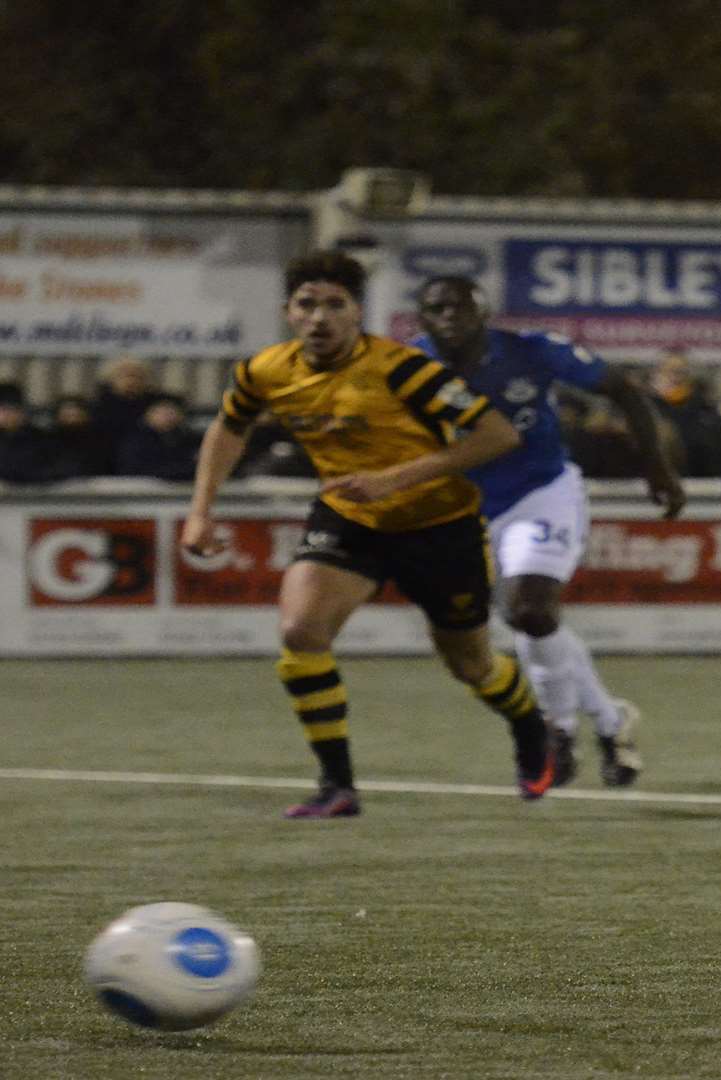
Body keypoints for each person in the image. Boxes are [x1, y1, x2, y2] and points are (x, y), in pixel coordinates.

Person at [182, 251, 555, 818]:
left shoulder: (403, 369)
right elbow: (228, 428)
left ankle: (531, 726)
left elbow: (497, 435)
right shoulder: (264, 371)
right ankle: (338, 786)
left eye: (336, 304)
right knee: (301, 631)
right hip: (350, 519)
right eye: (308, 304)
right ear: (288, 312)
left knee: (471, 666)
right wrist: (200, 511)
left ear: (358, 313)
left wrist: (395, 478)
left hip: (440, 525)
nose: (320, 317)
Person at [413, 275, 686, 788]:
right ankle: (610, 721)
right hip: (462, 509)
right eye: (436, 308)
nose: (448, 315)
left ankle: (556, 732)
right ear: (423, 318)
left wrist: (658, 467)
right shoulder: (406, 366)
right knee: (529, 625)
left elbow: (623, 390)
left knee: (529, 610)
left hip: (541, 493)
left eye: (460, 305)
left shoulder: (532, 350)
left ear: (485, 311)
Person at [114, 393, 200, 481]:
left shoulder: (189, 439)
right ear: (148, 414)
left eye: (173, 411)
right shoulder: (136, 441)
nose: (168, 417)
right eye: (162, 412)